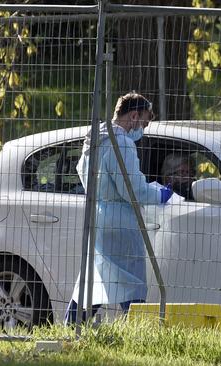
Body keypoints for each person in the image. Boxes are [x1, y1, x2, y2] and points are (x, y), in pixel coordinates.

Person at [66, 92, 173, 323]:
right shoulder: (121, 143)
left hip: (98, 215)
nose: (142, 129)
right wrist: (160, 195)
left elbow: (83, 172)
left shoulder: (95, 138)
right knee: (131, 281)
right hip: (121, 221)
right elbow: (132, 189)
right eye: (143, 122)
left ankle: (71, 325)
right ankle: (140, 331)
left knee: (95, 278)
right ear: (133, 116)